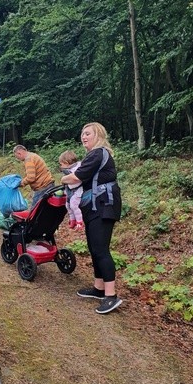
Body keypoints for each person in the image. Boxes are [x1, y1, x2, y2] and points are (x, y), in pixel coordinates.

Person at [61, 123, 122, 314]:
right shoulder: (94, 155)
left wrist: (64, 179)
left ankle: (111, 296)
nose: (83, 137)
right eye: (82, 134)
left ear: (99, 135)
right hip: (95, 206)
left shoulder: (98, 153)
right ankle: (98, 288)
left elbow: (76, 177)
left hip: (103, 206)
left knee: (101, 249)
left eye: (88, 133)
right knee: (95, 248)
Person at [58, 150, 83, 229]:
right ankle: (72, 219)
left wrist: (66, 180)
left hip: (77, 191)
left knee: (74, 205)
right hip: (70, 191)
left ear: (66, 162)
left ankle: (79, 221)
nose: (60, 166)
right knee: (68, 205)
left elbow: (76, 181)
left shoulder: (76, 169)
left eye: (61, 164)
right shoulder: (67, 170)